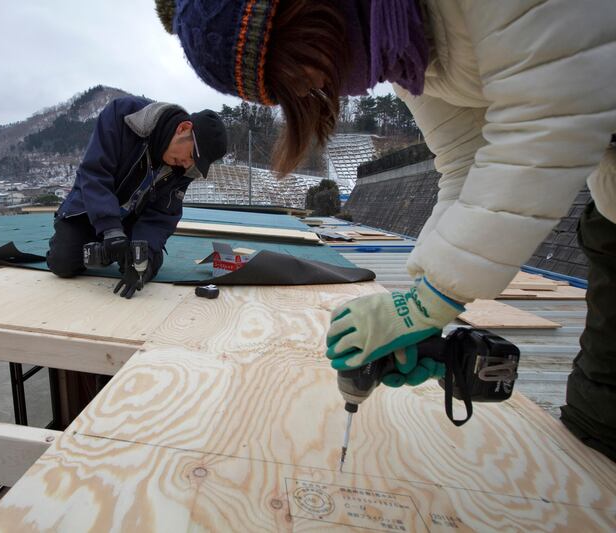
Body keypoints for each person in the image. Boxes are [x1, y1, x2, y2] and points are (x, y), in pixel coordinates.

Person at [157, 0, 616, 459]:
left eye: (295, 67)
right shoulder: (401, 49)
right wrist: (418, 303)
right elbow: (464, 163)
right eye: (287, 90)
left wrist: (428, 302)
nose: (312, 86)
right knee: (597, 422)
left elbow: (543, 127)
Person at [47, 96, 227, 298]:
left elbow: (161, 215)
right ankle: (102, 247)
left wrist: (144, 256)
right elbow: (95, 174)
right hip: (89, 208)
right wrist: (110, 228)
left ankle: (126, 256)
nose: (187, 165)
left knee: (143, 262)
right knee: (62, 262)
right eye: (192, 156)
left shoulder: (183, 169)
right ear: (183, 128)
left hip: (132, 221)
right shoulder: (124, 116)